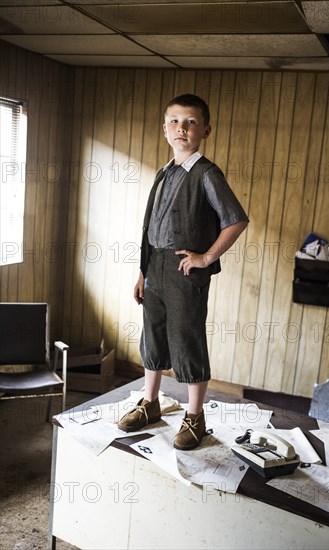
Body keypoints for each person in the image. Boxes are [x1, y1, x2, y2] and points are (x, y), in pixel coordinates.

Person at [118, 93, 249, 450]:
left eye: (191, 122)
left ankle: (195, 417)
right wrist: (143, 273)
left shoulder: (207, 174)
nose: (182, 128)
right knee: (153, 335)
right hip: (155, 267)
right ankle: (150, 404)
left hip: (183, 270)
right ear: (164, 129)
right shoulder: (164, 173)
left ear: (205, 130)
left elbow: (236, 221)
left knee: (186, 338)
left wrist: (205, 258)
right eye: (175, 121)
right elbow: (149, 229)